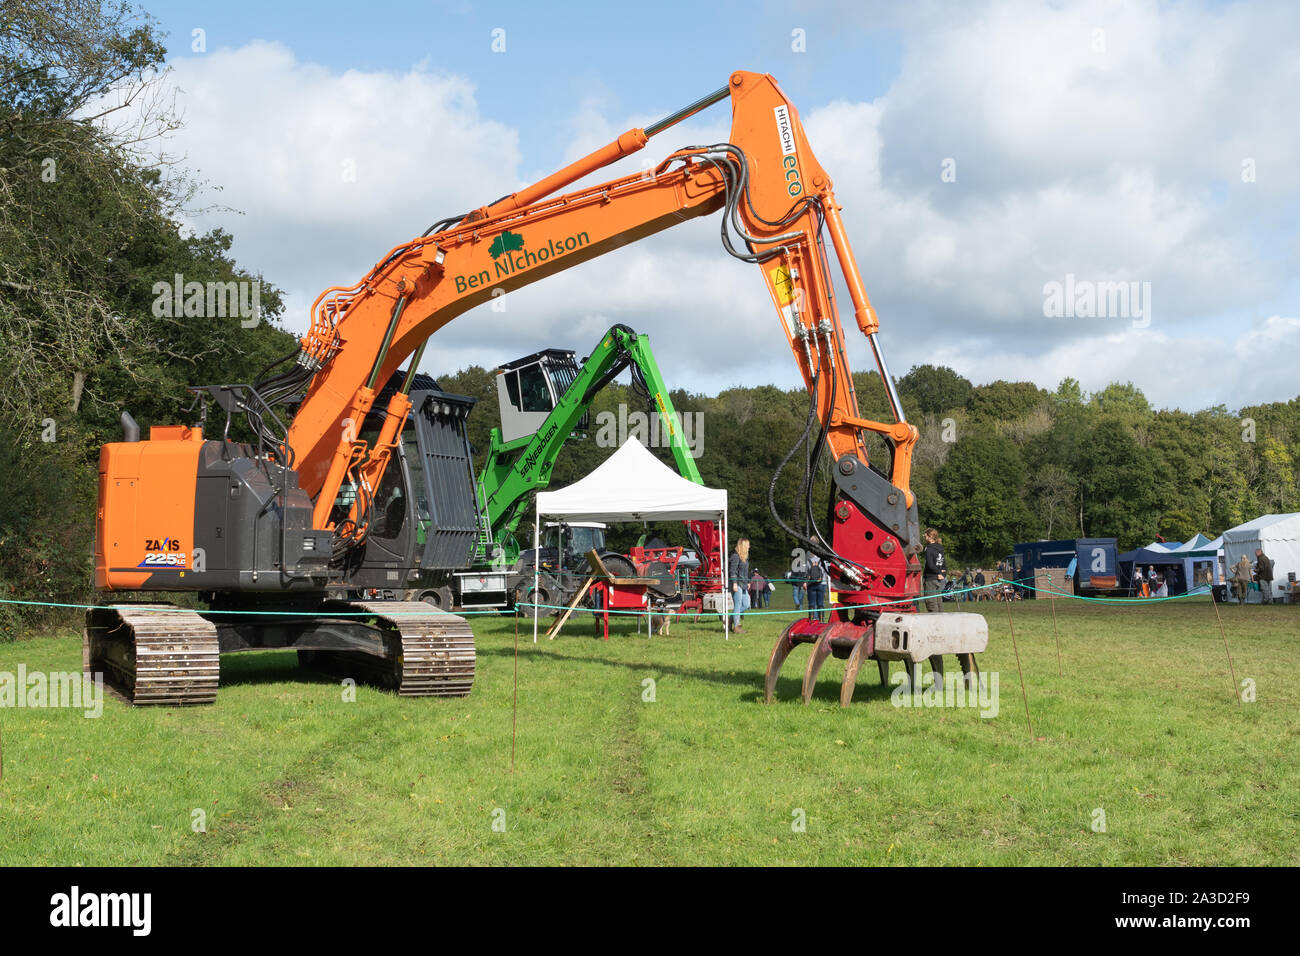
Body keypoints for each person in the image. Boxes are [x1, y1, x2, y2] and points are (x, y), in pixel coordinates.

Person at [727, 537, 751, 631]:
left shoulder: (745, 558)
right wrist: (734, 583)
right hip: (737, 583)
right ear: (743, 545)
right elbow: (732, 571)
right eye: (748, 545)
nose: (749, 547)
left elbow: (745, 572)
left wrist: (748, 582)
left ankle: (730, 619)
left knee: (746, 604)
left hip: (744, 584)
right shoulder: (735, 556)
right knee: (738, 604)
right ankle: (736, 626)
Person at [921, 528, 947, 613]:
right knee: (939, 601)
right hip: (938, 579)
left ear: (930, 536)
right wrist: (943, 574)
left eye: (925, 535)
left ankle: (935, 622)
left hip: (930, 578)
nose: (924, 537)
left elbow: (930, 565)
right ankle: (942, 621)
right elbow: (943, 563)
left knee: (931, 602)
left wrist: (938, 573)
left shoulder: (928, 548)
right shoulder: (940, 547)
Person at [806, 549, 826, 623]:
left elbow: (806, 574)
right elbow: (825, 572)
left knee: (811, 603)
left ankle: (811, 620)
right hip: (822, 583)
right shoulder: (822, 561)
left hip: (811, 584)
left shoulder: (808, 561)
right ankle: (821, 620)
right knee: (820, 602)